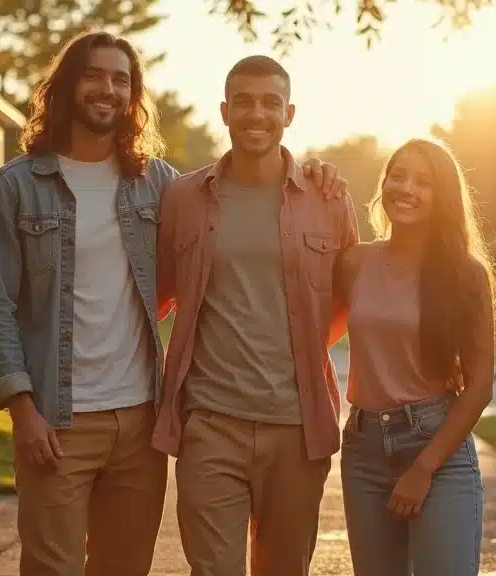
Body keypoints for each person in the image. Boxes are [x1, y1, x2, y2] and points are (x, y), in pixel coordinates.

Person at [0, 32, 345, 576]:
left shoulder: (159, 185)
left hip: (141, 422)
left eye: (121, 80)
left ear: (133, 96)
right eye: (94, 76)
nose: (107, 89)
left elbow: (195, 281)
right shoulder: (17, 187)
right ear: (67, 86)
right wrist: (21, 409)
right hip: (58, 418)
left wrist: (317, 170)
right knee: (52, 567)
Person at [154, 55, 360, 576]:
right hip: (210, 426)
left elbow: (348, 300)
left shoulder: (327, 199)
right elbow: (157, 297)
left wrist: (301, 352)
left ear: (289, 113)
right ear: (224, 111)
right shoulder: (183, 198)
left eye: (271, 102)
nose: (257, 114)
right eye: (243, 101)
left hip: (296, 429)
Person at [333, 136, 496, 576]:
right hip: (364, 449)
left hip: (436, 447)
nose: (405, 188)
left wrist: (423, 468)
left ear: (441, 196)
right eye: (397, 176)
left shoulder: (467, 274)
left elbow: (480, 386)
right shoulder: (355, 262)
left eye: (423, 182)